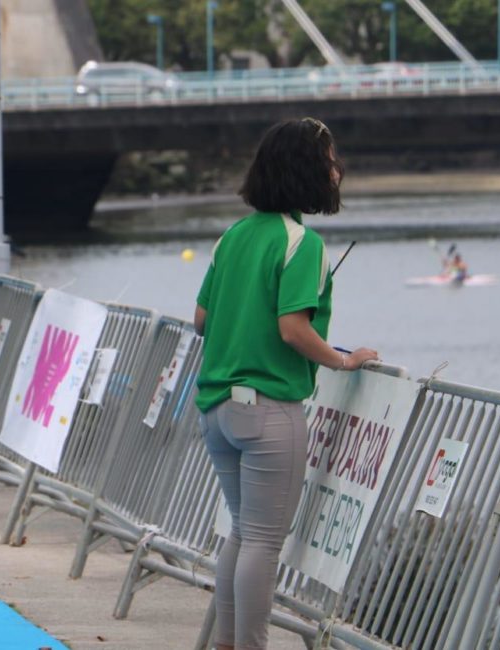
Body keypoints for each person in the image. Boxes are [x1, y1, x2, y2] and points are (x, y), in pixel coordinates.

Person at [192, 117, 379, 650]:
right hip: (270, 410)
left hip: (218, 408)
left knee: (242, 532)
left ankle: (227, 644)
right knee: (264, 543)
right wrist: (345, 361)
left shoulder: (233, 236)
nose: (337, 169)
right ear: (309, 170)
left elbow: (203, 319)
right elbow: (293, 328)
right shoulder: (303, 243)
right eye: (330, 159)